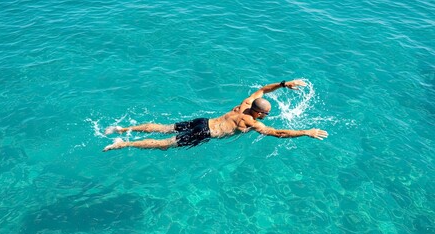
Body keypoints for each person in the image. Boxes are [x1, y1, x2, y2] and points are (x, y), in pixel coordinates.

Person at [103, 79, 328, 151]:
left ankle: (122, 128)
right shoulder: (250, 121)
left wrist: (283, 84)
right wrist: (306, 132)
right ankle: (123, 143)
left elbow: (262, 90)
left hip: (204, 120)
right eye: (265, 115)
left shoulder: (245, 104)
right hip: (205, 132)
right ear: (259, 112)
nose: (266, 118)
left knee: (164, 127)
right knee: (164, 143)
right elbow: (278, 133)